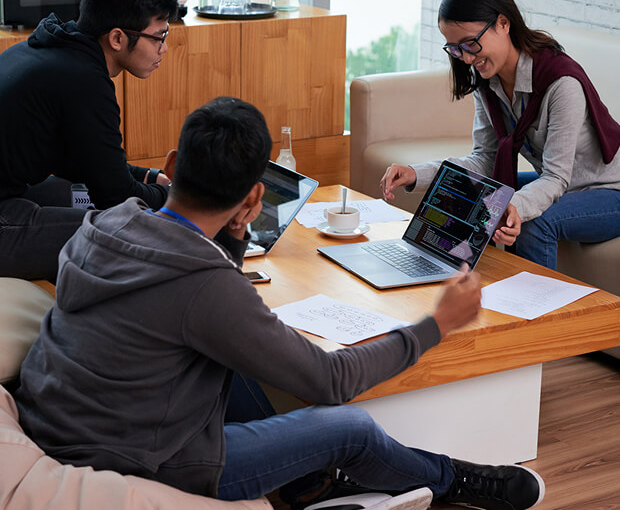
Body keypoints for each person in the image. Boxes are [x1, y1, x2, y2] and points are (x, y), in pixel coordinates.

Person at [15, 97, 544, 510]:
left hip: (57, 422)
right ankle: (455, 480)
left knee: (241, 353)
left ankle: (312, 484)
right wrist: (437, 324)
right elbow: (331, 381)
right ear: (252, 200)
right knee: (349, 426)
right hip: (146, 462)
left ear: (174, 164)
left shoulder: (105, 223)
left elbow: (202, 291)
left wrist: (234, 236)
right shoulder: (205, 287)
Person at [380, 0, 620, 269]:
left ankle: (531, 310)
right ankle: (448, 288)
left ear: (503, 24)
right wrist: (416, 174)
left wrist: (515, 205)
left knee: (532, 222)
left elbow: (557, 177)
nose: (465, 59)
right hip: (566, 183)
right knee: (465, 190)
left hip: (609, 189)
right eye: (455, 48)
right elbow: (485, 160)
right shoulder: (489, 82)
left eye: (470, 44)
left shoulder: (561, 83)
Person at [0, 0, 178, 281]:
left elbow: (85, 164)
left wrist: (150, 178)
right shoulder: (84, 81)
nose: (164, 48)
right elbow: (115, 197)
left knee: (71, 192)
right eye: (158, 36)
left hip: (12, 192)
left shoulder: (51, 45)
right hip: (4, 216)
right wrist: (179, 201)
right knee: (121, 232)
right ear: (118, 38)